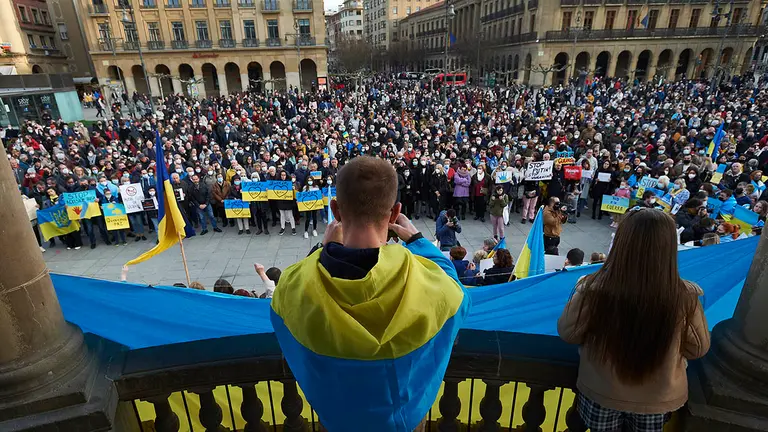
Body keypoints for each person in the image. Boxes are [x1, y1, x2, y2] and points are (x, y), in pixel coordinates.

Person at [270, 156, 469, 432]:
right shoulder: (427, 280)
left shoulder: (292, 286)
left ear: (335, 211)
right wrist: (418, 241)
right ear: (395, 212)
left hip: (339, 422)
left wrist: (321, 250)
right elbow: (458, 294)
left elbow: (286, 303)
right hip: (405, 423)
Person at [558, 208, 710, 432]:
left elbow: (568, 333)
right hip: (656, 398)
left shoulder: (594, 288)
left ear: (621, 243)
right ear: (668, 247)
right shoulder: (684, 297)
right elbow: (698, 348)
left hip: (602, 391)